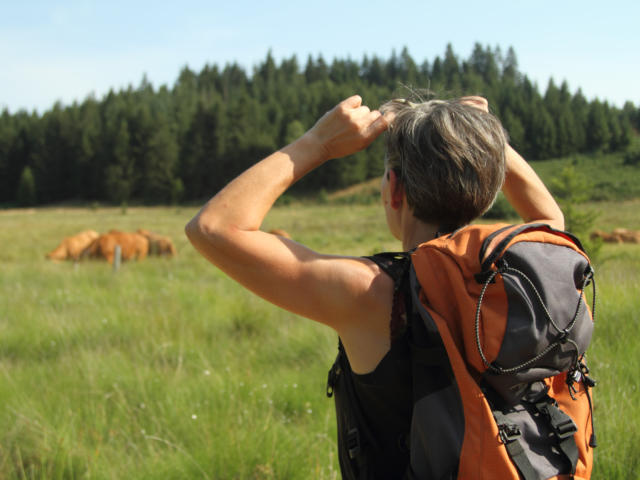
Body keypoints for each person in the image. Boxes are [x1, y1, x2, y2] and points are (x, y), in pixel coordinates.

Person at [185, 94, 564, 478]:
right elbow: (550, 219)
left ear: (394, 190)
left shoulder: (375, 294)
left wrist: (318, 143)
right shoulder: (523, 273)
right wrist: (488, 142)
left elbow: (212, 228)